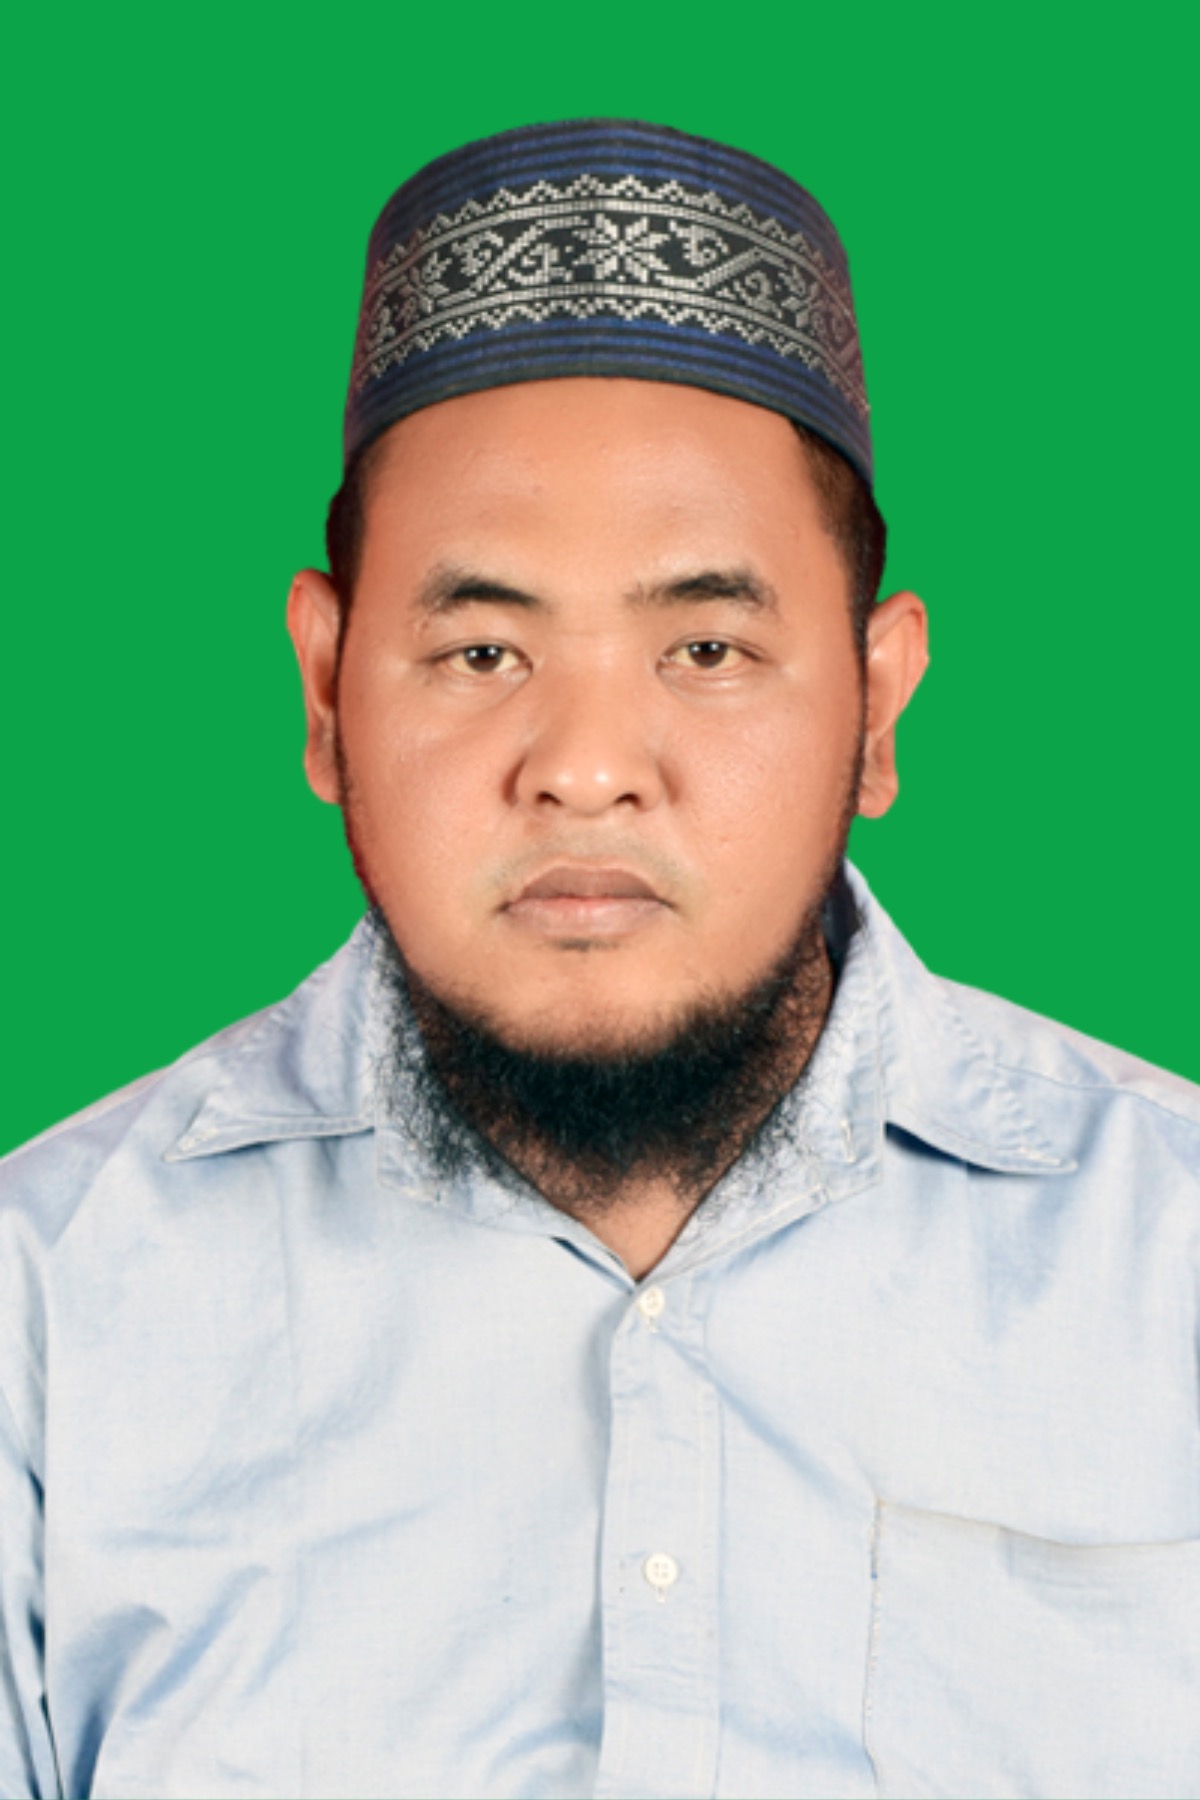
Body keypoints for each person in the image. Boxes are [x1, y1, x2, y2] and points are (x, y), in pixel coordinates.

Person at [1, 118, 1197, 1800]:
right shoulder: (45, 1309)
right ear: (326, 690)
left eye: (705, 646)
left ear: (877, 704)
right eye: (483, 649)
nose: (582, 767)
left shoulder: (1173, 1256)